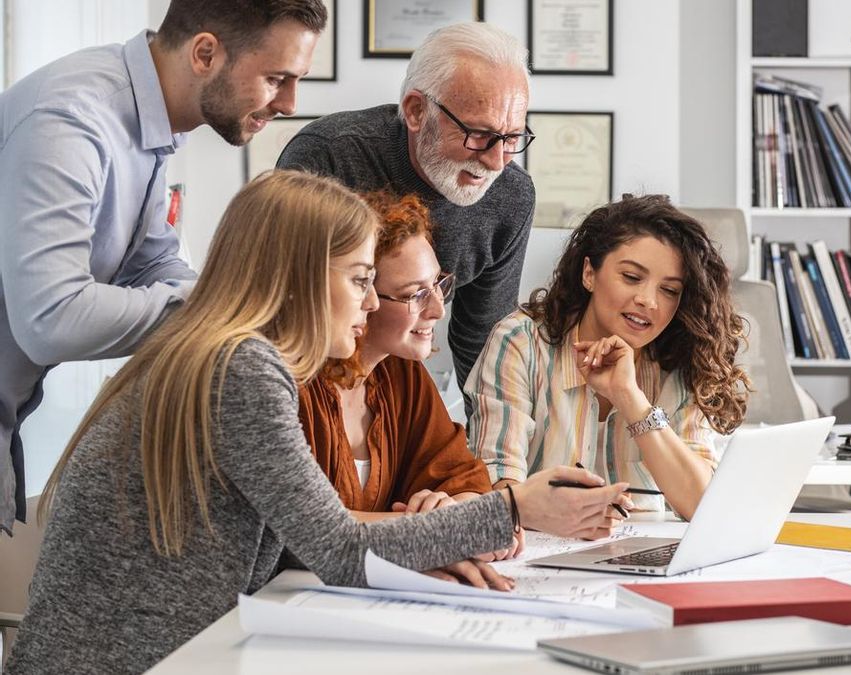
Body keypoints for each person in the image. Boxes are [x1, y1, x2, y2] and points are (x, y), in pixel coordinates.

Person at [5, 171, 628, 674]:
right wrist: (514, 507)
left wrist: (430, 541)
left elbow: (306, 546)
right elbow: (340, 548)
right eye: (360, 280)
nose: (368, 303)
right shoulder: (242, 368)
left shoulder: (215, 352)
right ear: (298, 277)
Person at [0, 0, 329, 534]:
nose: (290, 103)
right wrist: (228, 306)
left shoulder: (146, 122)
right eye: (276, 78)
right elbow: (51, 319)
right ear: (205, 53)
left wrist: (230, 311)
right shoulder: (71, 121)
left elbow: (154, 261)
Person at [277, 22, 536, 407]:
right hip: (303, 375)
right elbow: (283, 306)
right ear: (416, 111)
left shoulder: (511, 197)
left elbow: (482, 341)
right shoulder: (329, 156)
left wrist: (497, 455)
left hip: (402, 384)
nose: (497, 162)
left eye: (512, 137)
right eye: (479, 135)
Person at [466, 195, 753, 522]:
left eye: (669, 290)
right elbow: (495, 490)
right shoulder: (521, 342)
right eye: (631, 277)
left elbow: (703, 506)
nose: (648, 301)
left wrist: (631, 399)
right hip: (538, 552)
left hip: (644, 557)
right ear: (589, 273)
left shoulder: (682, 357)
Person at [297, 190, 525, 551]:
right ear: (356, 292)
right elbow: (306, 528)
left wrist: (456, 510)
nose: (438, 309)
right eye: (415, 294)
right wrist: (444, 529)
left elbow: (462, 478)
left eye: (438, 284)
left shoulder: (400, 372)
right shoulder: (291, 384)